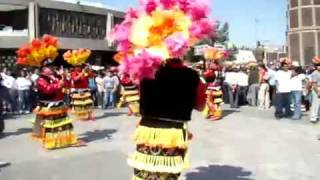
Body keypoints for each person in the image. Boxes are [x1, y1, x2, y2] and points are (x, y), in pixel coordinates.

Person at [111, 0, 212, 178]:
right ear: (182, 48)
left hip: (148, 130)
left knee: (145, 172)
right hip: (173, 132)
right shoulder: (192, 76)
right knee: (167, 174)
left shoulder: (146, 72)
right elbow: (200, 105)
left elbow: (141, 96)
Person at [16, 34, 85, 149]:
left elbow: (66, 87)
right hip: (49, 107)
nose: (53, 68)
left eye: (53, 66)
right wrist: (59, 83)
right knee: (51, 126)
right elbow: (47, 90)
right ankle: (51, 142)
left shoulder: (56, 76)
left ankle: (67, 141)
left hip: (59, 104)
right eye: (50, 67)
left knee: (64, 124)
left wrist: (65, 78)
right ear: (43, 69)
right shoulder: (41, 79)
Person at [64, 49, 94, 121]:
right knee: (79, 104)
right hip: (77, 90)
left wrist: (89, 69)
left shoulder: (85, 71)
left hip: (86, 89)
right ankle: (81, 117)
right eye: (78, 66)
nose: (80, 67)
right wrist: (82, 73)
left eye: (81, 66)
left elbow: (91, 76)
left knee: (88, 103)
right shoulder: (73, 73)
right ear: (75, 67)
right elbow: (75, 79)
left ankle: (90, 116)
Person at [310, 57, 320, 123]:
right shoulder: (315, 73)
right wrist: (318, 92)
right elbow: (314, 84)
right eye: (318, 65)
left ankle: (318, 116)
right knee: (315, 104)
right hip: (317, 88)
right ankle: (313, 117)